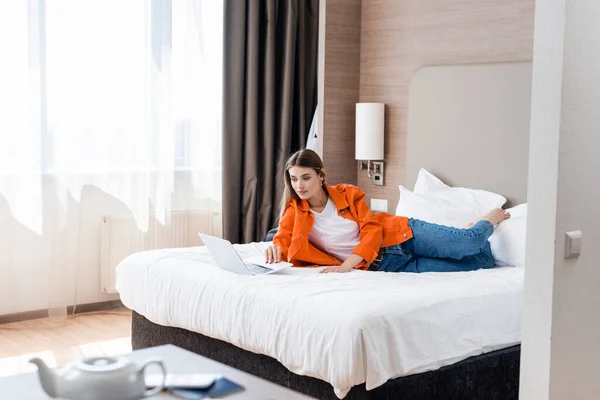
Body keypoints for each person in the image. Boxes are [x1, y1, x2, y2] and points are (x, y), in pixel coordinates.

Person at [265, 149, 510, 274]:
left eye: (306, 178)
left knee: (469, 243)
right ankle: (466, 232)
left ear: (321, 176)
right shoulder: (294, 211)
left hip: (403, 235)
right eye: (294, 179)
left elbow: (371, 230)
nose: (300, 186)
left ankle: (487, 219)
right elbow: (282, 240)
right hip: (387, 266)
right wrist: (274, 249)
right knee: (481, 264)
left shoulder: (348, 194)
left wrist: (347, 265)